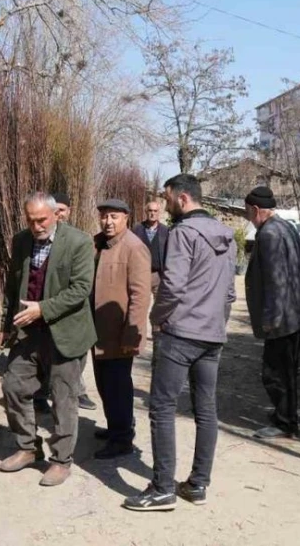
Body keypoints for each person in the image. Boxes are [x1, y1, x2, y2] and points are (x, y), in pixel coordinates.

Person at [123, 174, 236, 512]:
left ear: (183, 198)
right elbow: (229, 293)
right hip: (212, 336)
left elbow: (171, 285)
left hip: (181, 334)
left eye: (168, 198)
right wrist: (216, 324)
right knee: (206, 410)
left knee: (161, 408)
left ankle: (161, 489)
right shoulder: (227, 237)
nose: (166, 203)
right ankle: (198, 484)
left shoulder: (183, 233)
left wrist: (157, 318)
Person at [0, 192, 97, 487]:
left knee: (63, 398)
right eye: (31, 220)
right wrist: (7, 324)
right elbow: (13, 285)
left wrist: (43, 308)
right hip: (29, 332)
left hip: (66, 332)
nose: (36, 226)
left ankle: (61, 460)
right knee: (13, 386)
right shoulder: (21, 242)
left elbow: (80, 289)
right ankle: (28, 448)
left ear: (56, 215)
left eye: (41, 220)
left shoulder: (78, 242)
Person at [243, 186, 300, 439]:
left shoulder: (269, 234)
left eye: (247, 210)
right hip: (296, 313)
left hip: (283, 317)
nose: (246, 215)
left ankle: (285, 423)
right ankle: (284, 416)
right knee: (286, 370)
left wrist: (271, 319)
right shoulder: (286, 227)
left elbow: (277, 279)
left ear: (255, 209)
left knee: (275, 373)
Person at [90, 199, 152, 459]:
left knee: (118, 386)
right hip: (98, 331)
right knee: (104, 384)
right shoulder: (98, 244)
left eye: (114, 216)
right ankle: (116, 426)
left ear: (126, 218)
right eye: (104, 216)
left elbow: (140, 295)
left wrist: (132, 333)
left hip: (119, 333)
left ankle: (122, 438)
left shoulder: (134, 248)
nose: (108, 221)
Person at [33, 191, 98, 414]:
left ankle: (76, 392)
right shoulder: (36, 238)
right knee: (43, 356)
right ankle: (41, 394)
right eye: (55, 211)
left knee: (72, 359)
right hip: (42, 314)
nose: (58, 215)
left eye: (62, 211)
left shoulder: (79, 239)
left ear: (68, 212)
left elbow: (81, 286)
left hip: (69, 314)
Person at [132, 200, 170, 333]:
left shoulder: (166, 231)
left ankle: (157, 333)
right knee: (139, 305)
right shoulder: (137, 229)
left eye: (155, 211)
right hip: (140, 274)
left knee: (159, 307)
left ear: (159, 213)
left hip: (158, 275)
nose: (152, 214)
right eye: (150, 211)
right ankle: (137, 333)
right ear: (146, 212)